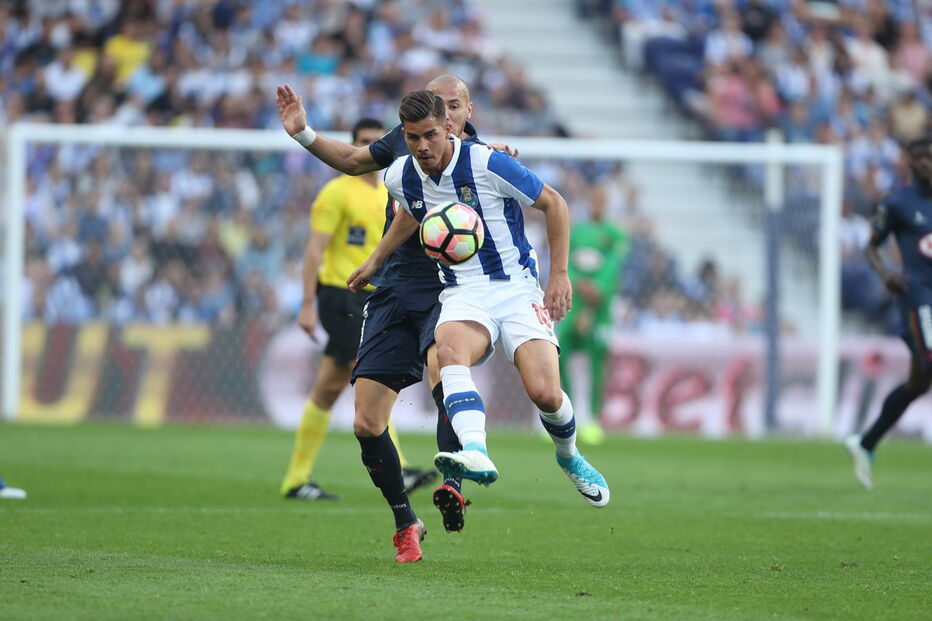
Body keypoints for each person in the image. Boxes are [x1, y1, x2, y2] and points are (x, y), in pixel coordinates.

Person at [277, 75, 512, 562]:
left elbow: (525, 215)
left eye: (451, 106)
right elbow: (361, 169)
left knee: (445, 372)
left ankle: (452, 482)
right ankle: (406, 521)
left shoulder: (487, 159)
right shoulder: (407, 147)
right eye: (434, 106)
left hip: (453, 288)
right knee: (366, 421)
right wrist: (302, 132)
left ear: (467, 110)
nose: (440, 116)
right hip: (396, 288)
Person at [348, 90, 610, 519]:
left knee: (544, 392)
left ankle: (569, 456)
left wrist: (560, 275)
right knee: (449, 351)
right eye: (412, 138)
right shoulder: (400, 175)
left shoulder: (488, 162)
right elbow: (412, 212)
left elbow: (555, 204)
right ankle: (475, 451)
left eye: (430, 135)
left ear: (449, 127)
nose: (422, 146)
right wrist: (376, 258)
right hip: (462, 290)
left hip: (516, 287)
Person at [279, 117, 435, 501]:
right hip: (339, 293)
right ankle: (399, 464)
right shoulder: (337, 192)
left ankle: (297, 479)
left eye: (374, 141)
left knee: (330, 385)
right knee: (369, 373)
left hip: (374, 294)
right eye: (363, 142)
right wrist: (307, 303)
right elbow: (315, 249)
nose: (371, 148)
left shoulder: (392, 188)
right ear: (356, 145)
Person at [846, 135, 932, 490]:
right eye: (920, 158)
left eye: (931, 157)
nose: (927, 163)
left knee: (919, 382)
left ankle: (865, 442)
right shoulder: (897, 203)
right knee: (929, 362)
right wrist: (887, 276)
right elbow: (870, 248)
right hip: (916, 296)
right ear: (909, 164)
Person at [558, 192, 628, 445]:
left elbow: (612, 267)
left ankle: (594, 420)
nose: (596, 204)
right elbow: (568, 262)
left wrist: (598, 288)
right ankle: (565, 418)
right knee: (559, 354)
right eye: (593, 199)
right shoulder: (577, 231)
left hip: (600, 307)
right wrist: (579, 284)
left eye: (601, 200)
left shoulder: (614, 234)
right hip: (573, 302)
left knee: (597, 361)